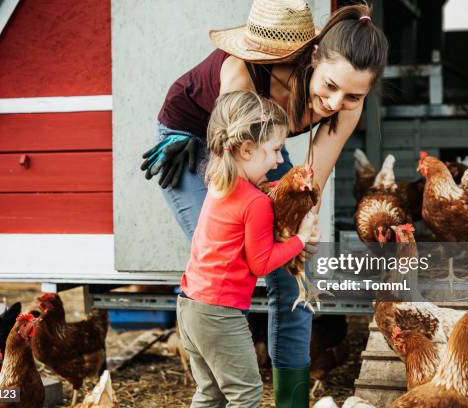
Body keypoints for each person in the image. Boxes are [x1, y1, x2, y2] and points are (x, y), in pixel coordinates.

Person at [141, 1, 388, 405]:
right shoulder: (243, 71)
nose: (335, 102)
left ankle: (291, 400)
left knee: (292, 274)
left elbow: (311, 182)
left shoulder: (347, 104)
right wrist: (274, 231)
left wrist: (301, 232)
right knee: (233, 254)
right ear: (313, 59)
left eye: (352, 94)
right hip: (198, 141)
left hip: (259, 143)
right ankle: (225, 383)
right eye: (329, 86)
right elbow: (232, 161)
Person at [177, 90, 319, 407]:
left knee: (210, 393)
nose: (281, 160)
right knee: (246, 394)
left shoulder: (219, 181)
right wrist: (300, 238)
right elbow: (261, 264)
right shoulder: (255, 203)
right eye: (276, 149)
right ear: (247, 149)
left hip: (190, 306)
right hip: (219, 313)